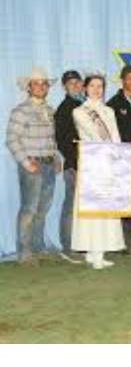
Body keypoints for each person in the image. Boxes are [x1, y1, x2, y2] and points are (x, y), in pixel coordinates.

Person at [6, 66, 61, 264]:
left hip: (48, 164)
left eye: (44, 83)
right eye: (36, 83)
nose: (41, 86)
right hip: (32, 165)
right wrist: (26, 162)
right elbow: (11, 139)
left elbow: (52, 139)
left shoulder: (50, 111)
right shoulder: (20, 111)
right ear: (28, 87)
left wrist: (56, 157)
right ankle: (24, 252)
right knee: (29, 209)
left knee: (42, 209)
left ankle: (38, 247)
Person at [72, 74, 126, 269]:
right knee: (93, 208)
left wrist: (119, 155)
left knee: (106, 207)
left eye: (100, 86)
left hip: (108, 163)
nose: (97, 90)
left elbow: (116, 136)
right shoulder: (79, 111)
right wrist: (111, 147)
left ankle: (99, 252)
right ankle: (93, 252)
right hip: (92, 162)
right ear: (85, 88)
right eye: (93, 86)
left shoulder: (109, 111)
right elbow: (95, 135)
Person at [106, 65, 131, 254]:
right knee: (122, 200)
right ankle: (123, 242)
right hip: (119, 158)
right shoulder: (113, 105)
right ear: (122, 80)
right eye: (130, 78)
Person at [54, 70, 86, 263]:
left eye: (77, 82)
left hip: (87, 164)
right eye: (70, 83)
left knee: (82, 207)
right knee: (71, 206)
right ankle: (68, 247)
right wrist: (75, 161)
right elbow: (62, 141)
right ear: (65, 87)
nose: (75, 85)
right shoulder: (65, 109)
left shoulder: (84, 106)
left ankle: (81, 245)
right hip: (75, 165)